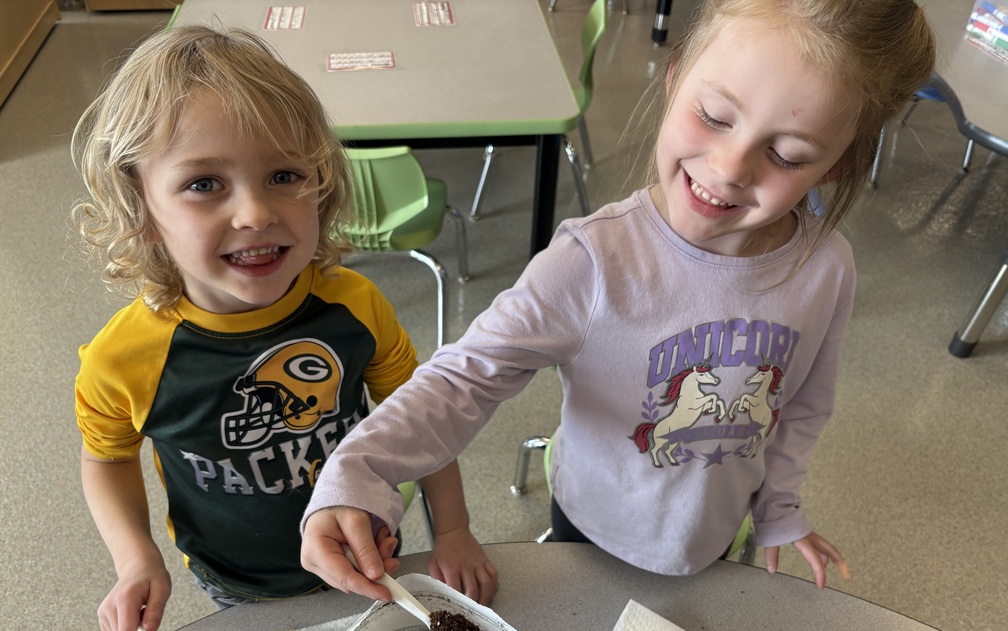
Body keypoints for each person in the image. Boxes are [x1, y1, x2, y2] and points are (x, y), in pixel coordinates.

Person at [300, 0, 937, 600]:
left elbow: (801, 406)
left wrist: (780, 508)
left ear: (836, 166)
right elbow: (461, 380)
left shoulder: (827, 267)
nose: (729, 167)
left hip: (719, 531)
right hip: (591, 521)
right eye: (714, 117)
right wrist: (358, 472)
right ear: (675, 77)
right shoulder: (591, 262)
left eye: (787, 154)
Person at [72, 25, 496, 631]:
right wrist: (135, 559)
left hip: (367, 546)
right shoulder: (124, 358)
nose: (256, 213)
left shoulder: (353, 306)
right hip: (237, 584)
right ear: (141, 205)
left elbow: (422, 417)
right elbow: (106, 458)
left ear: (320, 183)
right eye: (204, 183)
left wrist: (454, 529)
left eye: (283, 175)